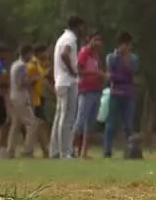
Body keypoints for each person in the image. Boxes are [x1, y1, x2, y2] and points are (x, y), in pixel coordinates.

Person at [51, 16, 83, 159]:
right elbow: (65, 54)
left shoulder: (62, 38)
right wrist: (72, 71)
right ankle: (65, 152)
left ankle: (55, 150)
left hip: (60, 81)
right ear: (78, 26)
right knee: (67, 118)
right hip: (68, 82)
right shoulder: (70, 39)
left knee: (60, 116)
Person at [103, 32, 139, 158]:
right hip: (115, 93)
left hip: (129, 94)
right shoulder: (111, 57)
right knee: (111, 123)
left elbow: (132, 72)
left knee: (128, 124)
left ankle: (130, 151)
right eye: (127, 45)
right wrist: (120, 77)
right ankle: (107, 150)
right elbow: (110, 76)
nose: (129, 48)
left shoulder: (133, 58)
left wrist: (126, 59)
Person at [73, 31, 106, 158]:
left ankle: (84, 153)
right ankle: (71, 149)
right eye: (96, 40)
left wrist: (102, 76)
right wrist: (95, 74)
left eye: (100, 40)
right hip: (86, 90)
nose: (98, 43)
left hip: (96, 89)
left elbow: (98, 70)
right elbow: (79, 70)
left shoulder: (96, 55)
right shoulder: (84, 53)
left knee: (90, 123)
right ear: (89, 39)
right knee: (80, 121)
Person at [6, 45, 39, 158]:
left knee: (16, 125)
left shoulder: (14, 65)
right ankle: (28, 150)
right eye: (31, 54)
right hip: (20, 98)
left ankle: (10, 150)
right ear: (26, 53)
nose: (32, 57)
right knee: (33, 123)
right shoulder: (21, 66)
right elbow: (22, 83)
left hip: (14, 97)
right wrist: (33, 79)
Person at [28, 44, 52, 158]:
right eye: (45, 52)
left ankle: (43, 150)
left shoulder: (40, 64)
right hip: (33, 98)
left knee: (38, 124)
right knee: (40, 124)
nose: (47, 55)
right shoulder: (34, 64)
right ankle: (44, 150)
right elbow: (38, 81)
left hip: (39, 97)